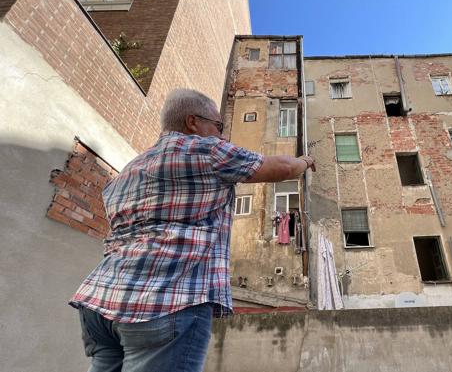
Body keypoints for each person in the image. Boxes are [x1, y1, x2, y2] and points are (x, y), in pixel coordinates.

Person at [69, 88, 315, 372]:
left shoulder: (129, 169)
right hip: (164, 303)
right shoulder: (207, 150)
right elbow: (283, 167)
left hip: (101, 303)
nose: (222, 135)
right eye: (218, 126)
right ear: (192, 122)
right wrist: (305, 161)